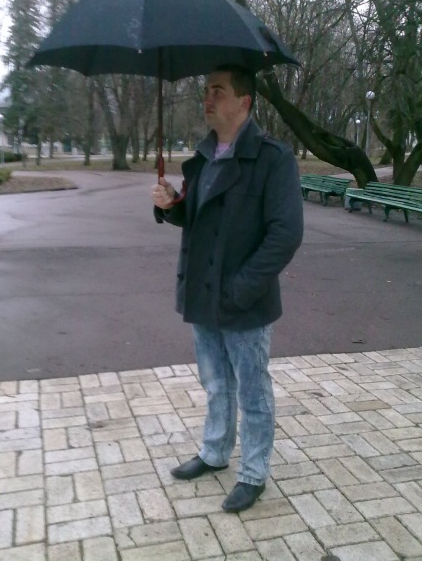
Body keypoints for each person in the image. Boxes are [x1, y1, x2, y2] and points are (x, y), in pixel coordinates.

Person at [151, 64, 303, 513]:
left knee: (253, 392)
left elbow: (285, 235)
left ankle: (253, 473)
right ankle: (215, 451)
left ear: (244, 102)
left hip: (243, 301)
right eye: (206, 89)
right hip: (202, 293)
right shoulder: (203, 157)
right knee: (216, 384)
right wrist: (172, 204)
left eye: (218, 91)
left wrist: (241, 288)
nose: (208, 98)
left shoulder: (273, 159)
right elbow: (197, 218)